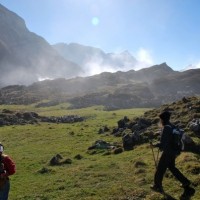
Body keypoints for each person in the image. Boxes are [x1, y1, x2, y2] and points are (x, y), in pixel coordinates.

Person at [150, 111, 191, 193]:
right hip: (174, 151)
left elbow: (163, 143)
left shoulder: (166, 128)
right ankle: (185, 182)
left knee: (160, 169)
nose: (160, 121)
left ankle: (157, 186)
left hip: (168, 152)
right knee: (172, 167)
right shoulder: (173, 126)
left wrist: (154, 145)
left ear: (162, 119)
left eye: (160, 119)